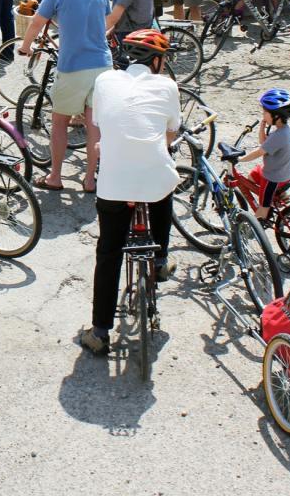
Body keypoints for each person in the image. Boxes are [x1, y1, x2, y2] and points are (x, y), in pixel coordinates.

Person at [79, 29, 179, 356]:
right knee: (162, 189)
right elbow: (168, 135)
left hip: (113, 182)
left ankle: (99, 332)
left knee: (108, 252)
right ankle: (161, 259)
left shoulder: (106, 81)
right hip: (152, 176)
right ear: (156, 61)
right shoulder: (167, 86)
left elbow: (102, 122)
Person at [18, 0, 110, 194]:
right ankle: (90, 180)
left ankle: (55, 176)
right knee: (94, 126)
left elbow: (37, 21)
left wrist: (26, 46)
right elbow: (102, 19)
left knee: (59, 120)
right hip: (102, 64)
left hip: (74, 65)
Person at [237, 89, 290, 223]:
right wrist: (262, 127)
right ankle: (277, 196)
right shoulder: (283, 130)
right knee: (252, 176)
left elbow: (259, 151)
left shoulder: (279, 135)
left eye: (265, 112)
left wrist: (239, 159)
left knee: (263, 206)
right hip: (277, 171)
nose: (263, 114)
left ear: (276, 116)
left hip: (273, 178)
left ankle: (258, 224)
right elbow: (264, 143)